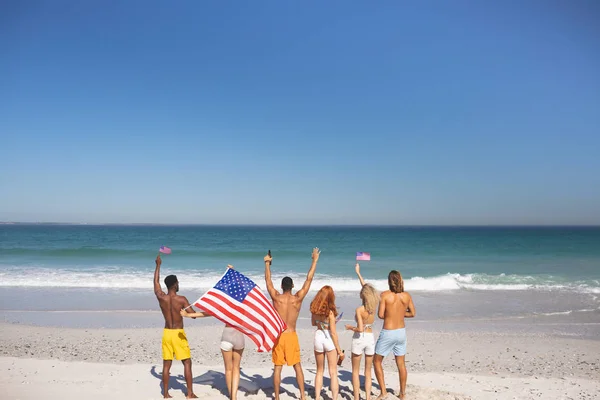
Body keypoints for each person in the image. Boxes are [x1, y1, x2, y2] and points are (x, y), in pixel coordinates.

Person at [181, 265, 244, 400]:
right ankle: (235, 396)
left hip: (227, 335)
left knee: (228, 369)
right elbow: (241, 289)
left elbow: (206, 313)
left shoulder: (224, 305)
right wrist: (233, 273)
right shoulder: (242, 304)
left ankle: (232, 398)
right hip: (239, 335)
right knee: (236, 368)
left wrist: (187, 315)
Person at [264, 248, 320, 400]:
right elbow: (309, 280)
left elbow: (268, 281)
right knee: (297, 366)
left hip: (279, 336)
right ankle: (302, 395)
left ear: (281, 286)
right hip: (291, 335)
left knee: (277, 367)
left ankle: (277, 397)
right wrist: (314, 260)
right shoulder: (297, 299)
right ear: (292, 286)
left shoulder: (276, 298)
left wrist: (267, 263)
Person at [153, 254, 198, 399]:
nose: (179, 285)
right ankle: (189, 393)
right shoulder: (181, 299)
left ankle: (165, 394)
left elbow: (156, 283)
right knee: (187, 363)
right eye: (177, 283)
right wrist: (189, 312)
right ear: (174, 285)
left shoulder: (162, 297)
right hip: (178, 334)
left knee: (166, 365)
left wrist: (158, 265)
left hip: (167, 333)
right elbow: (194, 315)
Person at [373, 270, 416, 400]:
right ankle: (402, 394)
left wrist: (391, 314)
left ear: (389, 281)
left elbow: (380, 315)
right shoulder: (406, 296)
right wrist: (400, 314)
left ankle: (383, 392)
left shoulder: (385, 295)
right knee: (401, 364)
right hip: (401, 332)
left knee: (376, 361)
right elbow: (412, 313)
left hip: (388, 332)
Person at [345, 263, 378, 400]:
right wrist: (358, 273)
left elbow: (359, 328)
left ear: (362, 295)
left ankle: (357, 397)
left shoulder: (359, 310)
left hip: (359, 338)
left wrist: (350, 328)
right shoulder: (374, 305)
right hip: (370, 337)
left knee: (355, 371)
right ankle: (368, 397)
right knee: (368, 371)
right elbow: (366, 288)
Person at [310, 285, 344, 400]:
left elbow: (313, 323)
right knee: (333, 372)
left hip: (318, 336)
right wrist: (339, 350)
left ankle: (318, 397)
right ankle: (334, 398)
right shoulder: (330, 312)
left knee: (319, 370)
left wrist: (321, 323)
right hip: (328, 338)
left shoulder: (314, 309)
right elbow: (333, 333)